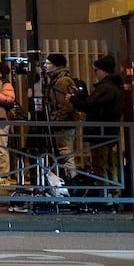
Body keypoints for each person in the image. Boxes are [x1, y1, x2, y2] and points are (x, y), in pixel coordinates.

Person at [80, 55, 126, 210]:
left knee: (100, 165)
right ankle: (115, 196)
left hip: (100, 133)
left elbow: (91, 104)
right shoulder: (115, 87)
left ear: (103, 71)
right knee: (110, 165)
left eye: (96, 70)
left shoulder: (106, 88)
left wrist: (75, 99)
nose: (95, 73)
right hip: (110, 132)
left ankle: (106, 199)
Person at [41, 52, 80, 182]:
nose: (45, 66)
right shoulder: (56, 79)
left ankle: (70, 182)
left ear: (55, 65)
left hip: (63, 125)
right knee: (62, 153)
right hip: (61, 123)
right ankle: (66, 181)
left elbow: (66, 106)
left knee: (65, 153)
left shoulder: (62, 81)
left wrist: (55, 121)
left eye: (48, 63)